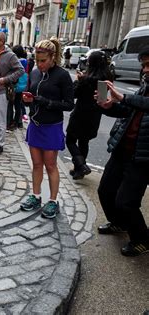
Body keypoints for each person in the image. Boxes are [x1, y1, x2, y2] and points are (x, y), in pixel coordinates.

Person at [95, 47, 149, 256]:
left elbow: (140, 104)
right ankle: (119, 224)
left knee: (126, 202)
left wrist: (123, 98)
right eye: (143, 65)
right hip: (123, 150)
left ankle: (141, 239)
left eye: (148, 65)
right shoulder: (145, 87)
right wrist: (108, 106)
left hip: (142, 157)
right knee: (105, 191)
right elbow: (129, 110)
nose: (144, 70)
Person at [20, 38, 74, 219]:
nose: (40, 64)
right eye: (37, 60)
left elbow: (68, 105)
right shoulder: (34, 72)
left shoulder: (62, 75)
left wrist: (47, 102)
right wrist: (26, 99)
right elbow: (29, 93)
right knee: (36, 164)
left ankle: (53, 200)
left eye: (43, 60)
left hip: (51, 126)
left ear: (53, 57)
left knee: (50, 165)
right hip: (35, 124)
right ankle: (35, 196)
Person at [66, 51, 112, 180]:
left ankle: (81, 166)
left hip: (80, 113)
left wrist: (78, 81)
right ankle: (78, 170)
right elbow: (101, 98)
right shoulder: (105, 78)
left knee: (70, 140)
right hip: (94, 115)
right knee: (84, 141)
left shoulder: (86, 79)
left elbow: (73, 94)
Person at [8, 44, 28, 130]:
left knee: (10, 104)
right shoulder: (26, 61)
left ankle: (10, 122)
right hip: (22, 86)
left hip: (14, 85)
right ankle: (18, 122)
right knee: (18, 105)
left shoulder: (15, 61)